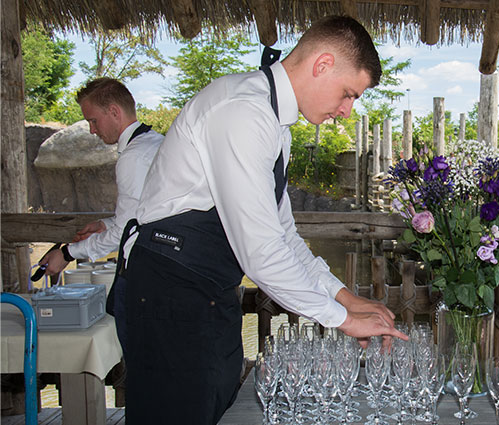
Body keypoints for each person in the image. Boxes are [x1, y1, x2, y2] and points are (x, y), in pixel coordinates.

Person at [122, 16, 407, 424]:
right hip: (172, 296)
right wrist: (342, 320)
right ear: (322, 64)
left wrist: (345, 296)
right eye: (348, 94)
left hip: (210, 294)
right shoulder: (243, 112)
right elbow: (261, 253)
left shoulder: (275, 124)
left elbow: (285, 237)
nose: (346, 111)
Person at [38, 77, 163, 356]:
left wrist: (68, 253)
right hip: (162, 276)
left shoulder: (133, 157)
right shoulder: (156, 144)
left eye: (93, 121)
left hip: (143, 279)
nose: (92, 130)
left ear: (115, 112)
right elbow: (143, 216)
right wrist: (103, 224)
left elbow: (126, 232)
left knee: (140, 366)